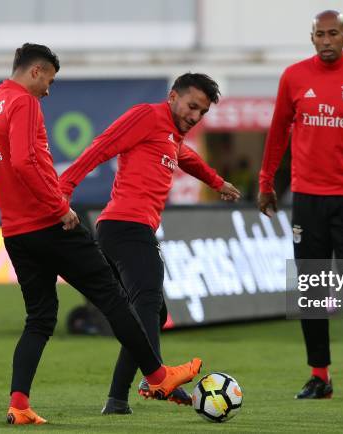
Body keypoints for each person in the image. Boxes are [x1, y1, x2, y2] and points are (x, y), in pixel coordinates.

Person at [0, 43, 202, 425]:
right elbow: (24, 161)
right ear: (35, 71)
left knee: (39, 319)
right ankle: (157, 376)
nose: (49, 90)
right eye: (49, 80)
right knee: (113, 298)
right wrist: (59, 208)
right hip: (49, 224)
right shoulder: (23, 103)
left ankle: (19, 405)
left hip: (16, 234)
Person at [59, 73, 240, 414]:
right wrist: (65, 185)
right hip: (126, 227)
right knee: (146, 307)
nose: (194, 116)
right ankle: (155, 380)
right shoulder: (147, 115)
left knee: (153, 313)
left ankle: (120, 398)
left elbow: (186, 158)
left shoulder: (171, 136)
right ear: (172, 96)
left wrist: (217, 182)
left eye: (201, 112)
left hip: (127, 229)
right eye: (191, 106)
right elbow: (102, 145)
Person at [258, 10, 343, 401]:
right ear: (312, 37)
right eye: (319, 35)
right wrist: (266, 182)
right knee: (311, 289)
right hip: (307, 199)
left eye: (333, 33)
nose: (326, 41)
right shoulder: (293, 77)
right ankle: (320, 376)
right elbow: (277, 132)